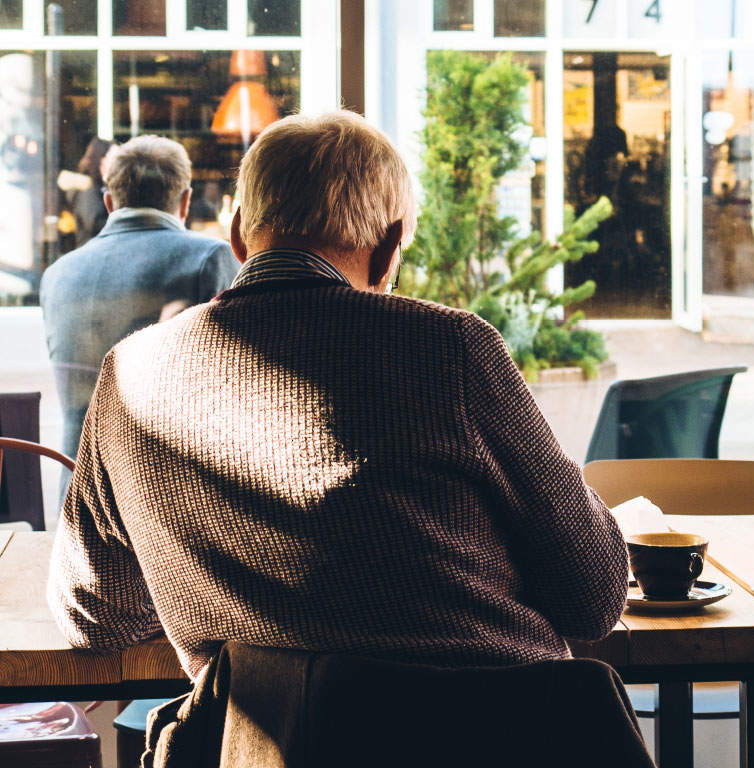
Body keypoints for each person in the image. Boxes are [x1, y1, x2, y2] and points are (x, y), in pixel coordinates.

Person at [47, 112, 628, 682]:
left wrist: (210, 582)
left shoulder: (130, 373)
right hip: (499, 735)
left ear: (239, 234)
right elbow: (594, 597)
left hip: (267, 745)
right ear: (389, 246)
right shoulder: (451, 349)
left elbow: (95, 615)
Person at [40, 135, 239, 492]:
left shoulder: (57, 274)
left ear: (109, 201)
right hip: (166, 497)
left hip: (77, 494)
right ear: (186, 201)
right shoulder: (209, 258)